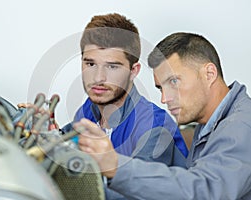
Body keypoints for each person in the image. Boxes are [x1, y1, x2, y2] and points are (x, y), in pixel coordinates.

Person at [76, 32, 251, 199]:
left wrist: (116, 166)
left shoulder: (241, 126)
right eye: (161, 88)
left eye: (174, 81)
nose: (164, 98)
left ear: (209, 74)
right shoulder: (210, 123)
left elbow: (204, 190)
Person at [63, 14, 188, 199]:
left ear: (133, 71)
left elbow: (135, 195)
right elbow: (64, 142)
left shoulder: (156, 127)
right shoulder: (87, 110)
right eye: (90, 63)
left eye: (112, 67)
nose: (98, 78)